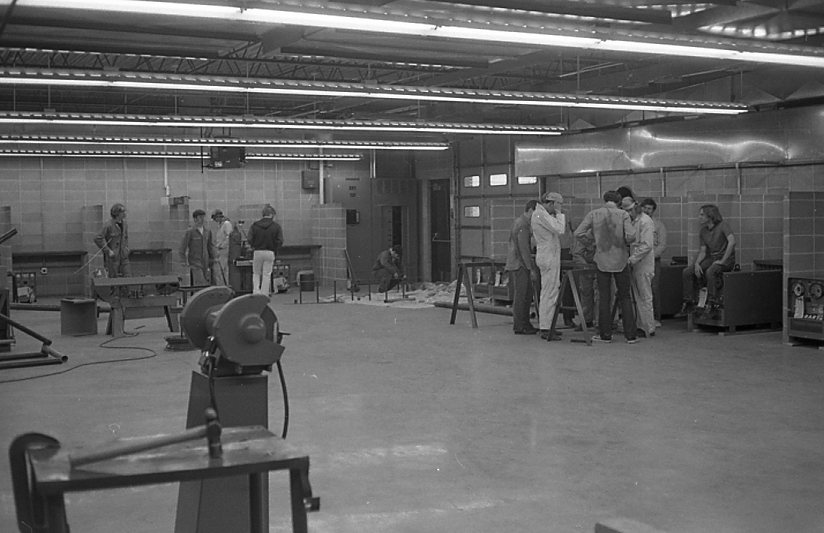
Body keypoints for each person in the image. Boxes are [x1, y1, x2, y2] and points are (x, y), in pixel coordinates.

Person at [574, 190, 638, 344]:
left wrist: (592, 241)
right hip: (621, 260)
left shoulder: (594, 214)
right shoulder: (623, 215)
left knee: (604, 297)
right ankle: (631, 336)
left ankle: (605, 335)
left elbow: (578, 232)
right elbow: (631, 236)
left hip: (601, 260)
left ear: (605, 200)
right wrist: (623, 242)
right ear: (618, 201)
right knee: (625, 296)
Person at [677, 204, 736, 316]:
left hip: (725, 259)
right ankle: (689, 302)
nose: (699, 217)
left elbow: (732, 242)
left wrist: (723, 260)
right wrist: (697, 264)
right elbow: (703, 251)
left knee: (711, 271)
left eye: (702, 215)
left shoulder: (723, 226)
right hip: (712, 257)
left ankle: (712, 302)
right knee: (687, 272)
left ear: (710, 216)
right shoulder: (703, 231)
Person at [531, 192, 566, 342]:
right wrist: (560, 214)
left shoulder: (542, 214)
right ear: (551, 203)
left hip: (549, 256)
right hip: (548, 257)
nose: (558, 208)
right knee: (549, 291)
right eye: (558, 205)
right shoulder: (540, 215)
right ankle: (545, 327)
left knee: (551, 290)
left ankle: (548, 325)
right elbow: (560, 229)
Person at [505, 200, 539, 335]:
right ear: (531, 210)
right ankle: (520, 325)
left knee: (526, 295)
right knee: (522, 296)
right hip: (520, 265)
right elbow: (523, 249)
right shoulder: (522, 225)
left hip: (520, 263)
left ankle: (525, 323)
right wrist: (530, 269)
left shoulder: (522, 223)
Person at [624, 197, 655, 338]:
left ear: (637, 207)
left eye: (630, 210)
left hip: (643, 264)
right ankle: (640, 325)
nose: (629, 213)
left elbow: (647, 245)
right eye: (626, 210)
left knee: (645, 295)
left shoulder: (645, 221)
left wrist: (632, 259)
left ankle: (648, 327)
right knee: (637, 296)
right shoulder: (633, 221)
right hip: (636, 263)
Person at [640, 198, 667, 324]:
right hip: (639, 260)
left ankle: (656, 317)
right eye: (644, 208)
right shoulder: (637, 223)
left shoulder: (659, 225)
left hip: (653, 260)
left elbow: (662, 245)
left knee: (654, 288)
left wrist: (650, 256)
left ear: (653, 210)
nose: (646, 210)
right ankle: (642, 318)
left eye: (649, 208)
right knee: (640, 289)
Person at [247, 205, 284, 295]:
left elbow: (249, 239)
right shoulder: (276, 226)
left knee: (256, 273)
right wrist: (275, 248)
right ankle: (264, 293)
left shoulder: (255, 225)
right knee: (266, 274)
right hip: (270, 252)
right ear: (271, 215)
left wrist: (253, 245)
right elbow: (280, 240)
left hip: (257, 251)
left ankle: (256, 292)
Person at [94, 202, 131, 279]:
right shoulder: (108, 225)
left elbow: (125, 237)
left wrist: (126, 248)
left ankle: (126, 291)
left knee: (128, 277)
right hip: (113, 258)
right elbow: (98, 238)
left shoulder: (125, 224)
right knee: (114, 279)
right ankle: (115, 291)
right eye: (122, 211)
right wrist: (108, 250)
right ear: (117, 213)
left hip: (124, 256)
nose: (124, 213)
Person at [179, 209, 215, 286]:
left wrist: (213, 258)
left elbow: (210, 246)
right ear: (195, 219)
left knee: (206, 282)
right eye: (200, 217)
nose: (202, 219)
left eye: (203, 217)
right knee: (200, 282)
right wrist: (183, 260)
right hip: (195, 262)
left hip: (206, 261)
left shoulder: (207, 231)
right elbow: (183, 246)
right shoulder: (190, 232)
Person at [570, 229, 596, 330]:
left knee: (602, 295)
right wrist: (585, 267)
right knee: (586, 294)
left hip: (601, 266)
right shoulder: (585, 236)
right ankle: (586, 321)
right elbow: (577, 254)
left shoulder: (605, 232)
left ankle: (602, 322)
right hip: (587, 267)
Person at [211, 209, 232, 286]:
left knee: (221, 270)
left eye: (215, 218)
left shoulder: (226, 224)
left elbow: (229, 237)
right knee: (219, 271)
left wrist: (221, 246)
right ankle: (221, 286)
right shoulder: (220, 225)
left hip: (224, 250)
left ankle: (223, 287)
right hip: (220, 249)